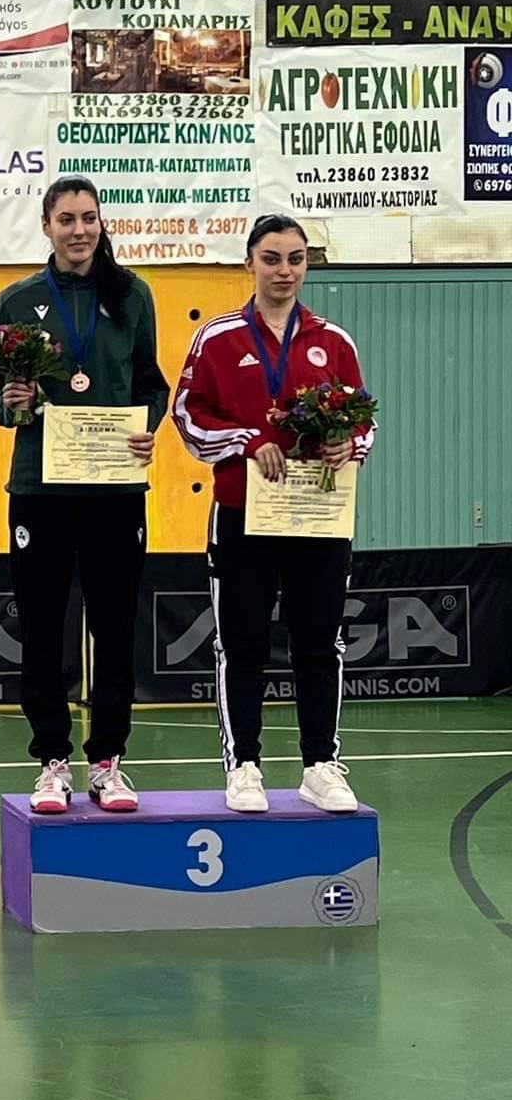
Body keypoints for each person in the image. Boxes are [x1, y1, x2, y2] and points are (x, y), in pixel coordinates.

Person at [172, 214, 374, 814]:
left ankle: (320, 765)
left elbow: (364, 420)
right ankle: (244, 767)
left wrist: (347, 445)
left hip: (317, 516)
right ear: (249, 263)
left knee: (320, 642)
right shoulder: (217, 339)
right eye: (272, 258)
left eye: (295, 259)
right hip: (243, 515)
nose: (284, 271)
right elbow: (187, 415)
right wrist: (245, 440)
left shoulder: (334, 342)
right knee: (243, 644)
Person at [0, 177, 168, 815]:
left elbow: (152, 384)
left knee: (115, 626)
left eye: (89, 218)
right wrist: (12, 402)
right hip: (41, 489)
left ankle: (108, 761)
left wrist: (148, 427)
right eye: (67, 219)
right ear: (47, 226)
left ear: (100, 224)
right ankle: (52, 762)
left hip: (115, 487)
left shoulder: (132, 295)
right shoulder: (17, 301)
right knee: (42, 626)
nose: (80, 230)